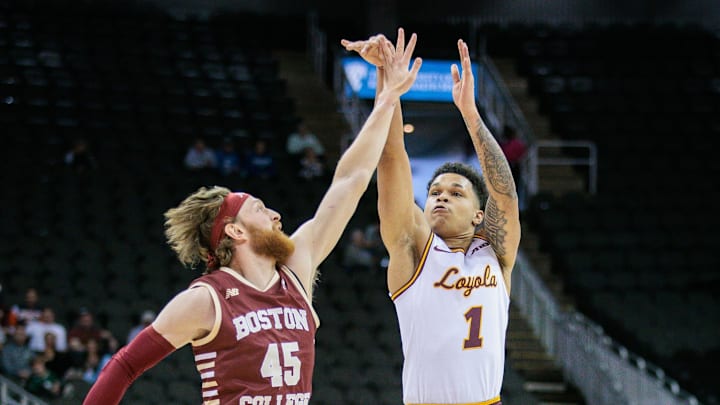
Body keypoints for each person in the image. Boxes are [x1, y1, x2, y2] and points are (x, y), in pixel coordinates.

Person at [82, 32, 421, 405]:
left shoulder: (296, 269)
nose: (276, 215)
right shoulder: (206, 299)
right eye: (260, 208)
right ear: (234, 230)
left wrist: (387, 93)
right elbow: (125, 366)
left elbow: (351, 180)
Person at [342, 30, 521, 404]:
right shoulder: (413, 252)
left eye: (456, 193)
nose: (441, 197)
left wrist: (470, 114)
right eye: (435, 192)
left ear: (477, 215)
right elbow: (392, 158)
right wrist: (387, 85)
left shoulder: (497, 255)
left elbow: (504, 194)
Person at [499, 125, 527, 190]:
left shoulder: (507, 144)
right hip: (512, 165)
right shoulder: (515, 144)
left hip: (509, 166)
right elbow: (523, 152)